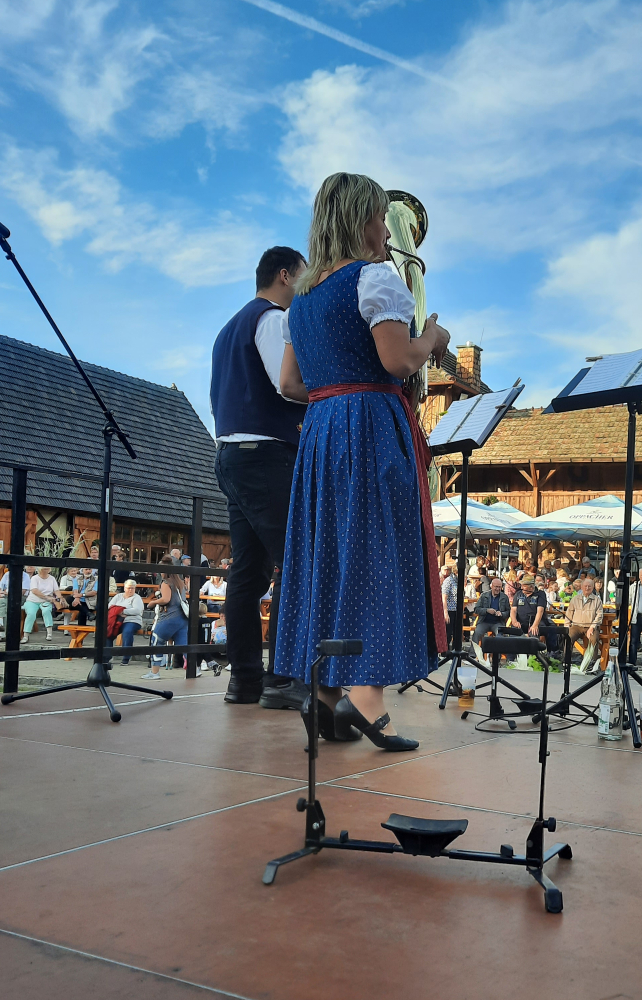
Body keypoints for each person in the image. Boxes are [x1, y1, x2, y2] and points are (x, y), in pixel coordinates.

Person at [274, 172, 450, 751]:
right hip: (370, 426)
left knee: (330, 554)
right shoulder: (374, 278)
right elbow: (398, 361)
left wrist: (335, 390)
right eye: (380, 218)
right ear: (361, 221)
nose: (386, 231)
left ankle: (325, 694)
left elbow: (290, 383)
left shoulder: (302, 297)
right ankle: (368, 696)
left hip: (321, 431)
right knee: (377, 552)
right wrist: (432, 338)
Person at [211, 245, 314, 709]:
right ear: (285, 275)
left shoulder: (228, 329)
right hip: (266, 454)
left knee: (248, 573)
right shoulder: (273, 319)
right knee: (296, 562)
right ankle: (285, 679)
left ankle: (245, 680)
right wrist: (333, 393)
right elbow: (287, 385)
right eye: (304, 277)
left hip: (233, 453)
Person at [143, 556, 189, 679]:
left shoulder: (166, 583)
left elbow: (166, 599)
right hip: (182, 618)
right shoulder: (180, 582)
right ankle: (195, 668)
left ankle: (154, 672)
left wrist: (153, 602)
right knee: (184, 645)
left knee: (157, 641)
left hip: (169, 617)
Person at [564, 575, 604, 672]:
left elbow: (599, 615)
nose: (587, 588)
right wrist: (567, 626)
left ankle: (591, 664)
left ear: (593, 587)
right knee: (568, 637)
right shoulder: (575, 599)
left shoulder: (597, 600)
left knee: (594, 639)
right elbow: (569, 613)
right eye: (585, 586)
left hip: (590, 626)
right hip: (577, 625)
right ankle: (566, 661)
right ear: (581, 587)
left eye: (589, 586)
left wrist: (592, 627)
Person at [22, 566, 64, 643]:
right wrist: (47, 597)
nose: (46, 570)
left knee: (46, 611)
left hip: (46, 601)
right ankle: (25, 635)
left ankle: (49, 633)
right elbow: (34, 590)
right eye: (44, 569)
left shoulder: (52, 578)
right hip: (33, 600)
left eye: (48, 569)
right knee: (31, 614)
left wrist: (60, 597)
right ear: (40, 570)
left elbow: (56, 590)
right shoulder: (34, 578)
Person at [109, 579, 145, 665]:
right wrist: (120, 612)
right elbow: (110, 607)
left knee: (127, 632)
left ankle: (126, 657)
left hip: (132, 620)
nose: (130, 590)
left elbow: (137, 610)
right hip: (117, 620)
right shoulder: (118, 596)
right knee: (107, 633)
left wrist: (122, 611)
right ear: (124, 588)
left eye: (132, 588)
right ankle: (107, 656)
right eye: (129, 588)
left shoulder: (137, 598)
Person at [472, 576, 510, 649]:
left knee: (501, 635)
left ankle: (498, 654)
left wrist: (501, 614)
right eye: (496, 587)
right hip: (484, 621)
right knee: (477, 633)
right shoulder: (484, 596)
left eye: (499, 587)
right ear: (491, 586)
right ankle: (473, 653)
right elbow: (476, 609)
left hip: (498, 623)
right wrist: (487, 610)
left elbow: (508, 612)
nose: (498, 589)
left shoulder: (504, 597)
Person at [510, 572, 547, 637]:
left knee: (533, 634)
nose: (521, 587)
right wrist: (514, 621)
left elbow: (540, 611)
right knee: (513, 635)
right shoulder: (518, 594)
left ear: (531, 587)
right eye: (521, 585)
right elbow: (513, 610)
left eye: (524, 586)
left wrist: (535, 625)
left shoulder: (540, 594)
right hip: (520, 623)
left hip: (535, 622)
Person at [441, 564, 459, 642]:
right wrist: (445, 613)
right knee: (448, 633)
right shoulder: (448, 581)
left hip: (457, 610)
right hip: (450, 610)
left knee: (457, 633)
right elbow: (444, 597)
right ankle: (446, 649)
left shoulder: (458, 581)